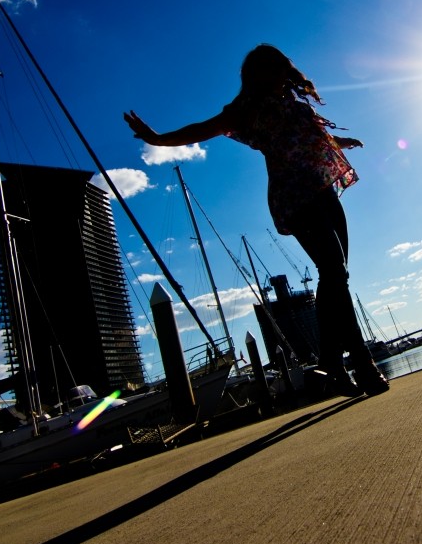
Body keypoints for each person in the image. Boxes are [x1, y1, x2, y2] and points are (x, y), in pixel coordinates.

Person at [124, 44, 388, 398]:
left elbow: (308, 136)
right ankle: (361, 364)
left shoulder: (293, 105)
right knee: (334, 271)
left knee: (336, 274)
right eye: (273, 69)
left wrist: (341, 141)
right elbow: (204, 128)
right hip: (294, 195)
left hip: (323, 188)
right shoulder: (245, 109)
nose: (282, 75)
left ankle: (333, 366)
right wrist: (158, 139)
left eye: (283, 68)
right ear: (259, 74)